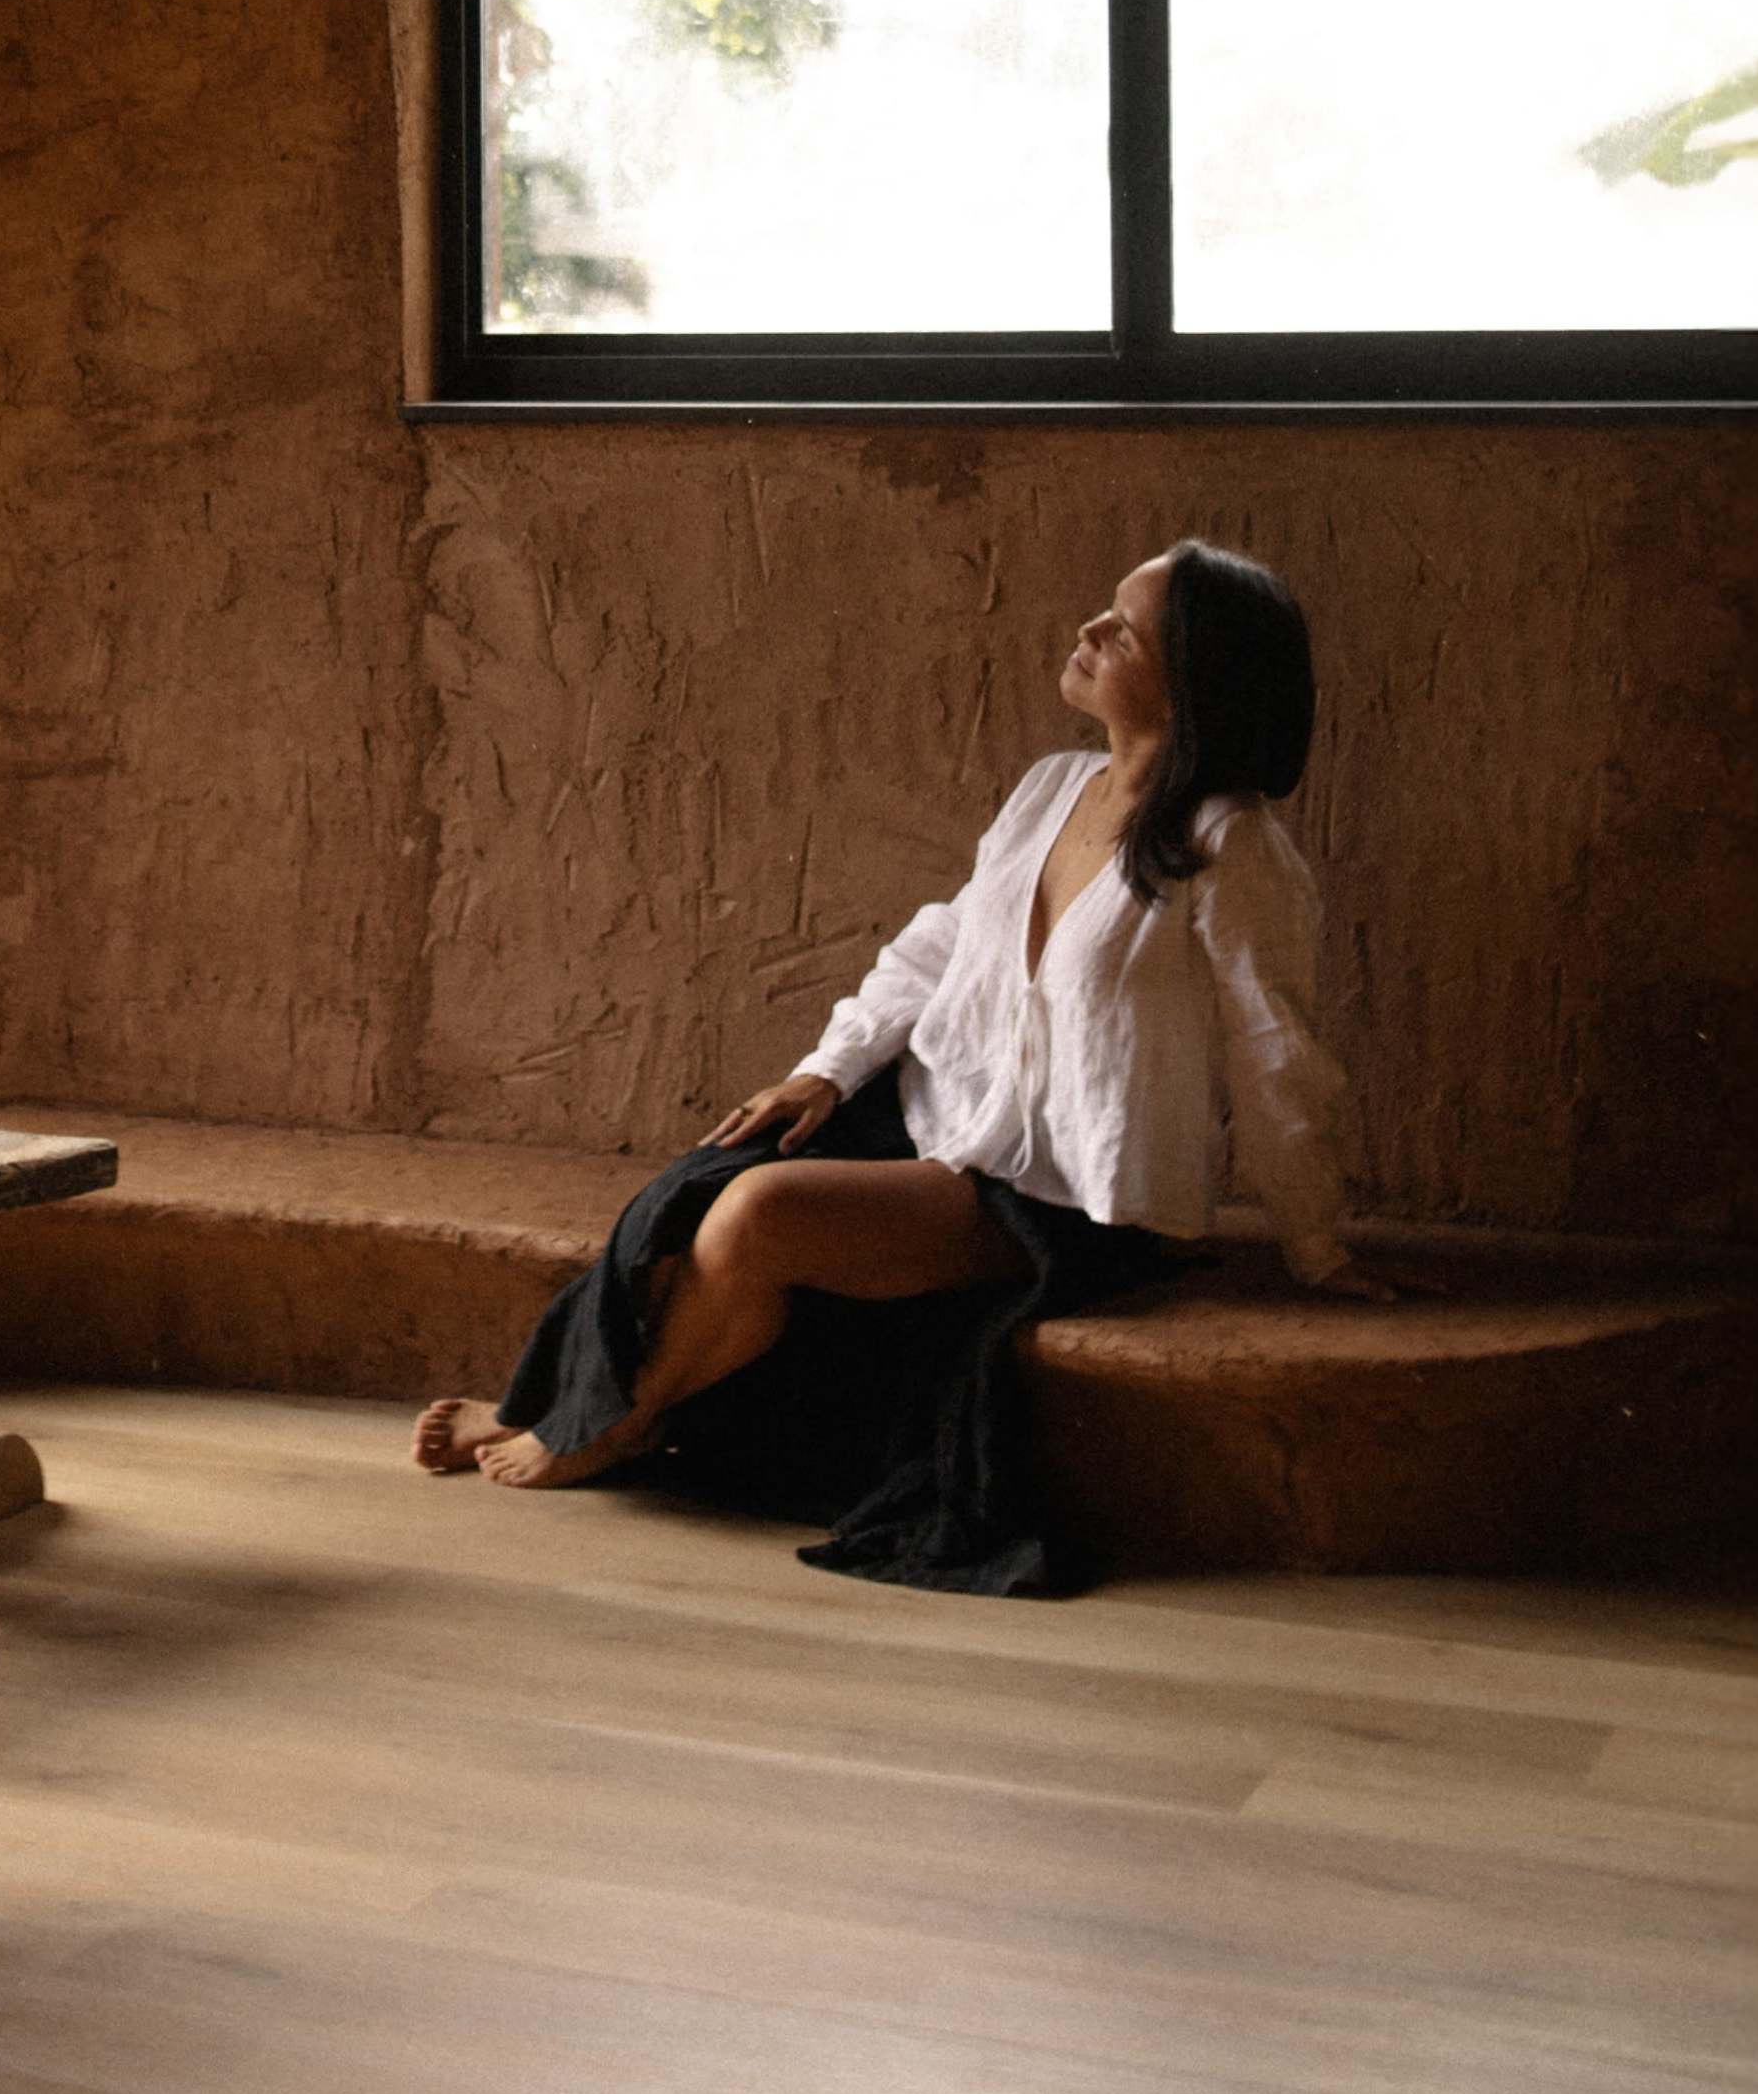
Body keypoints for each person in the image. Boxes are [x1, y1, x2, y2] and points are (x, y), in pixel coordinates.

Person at [409, 538, 1385, 1597]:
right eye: (1104, 607)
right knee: (696, 1185)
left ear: (1195, 681)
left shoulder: (1230, 845)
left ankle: (612, 1425)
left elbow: (1277, 1050)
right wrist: (826, 1070)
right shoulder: (1053, 787)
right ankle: (548, 1402)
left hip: (1064, 1196)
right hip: (943, 1118)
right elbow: (940, 944)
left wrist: (1319, 1245)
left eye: (1128, 628)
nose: (1091, 632)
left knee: (757, 1214)